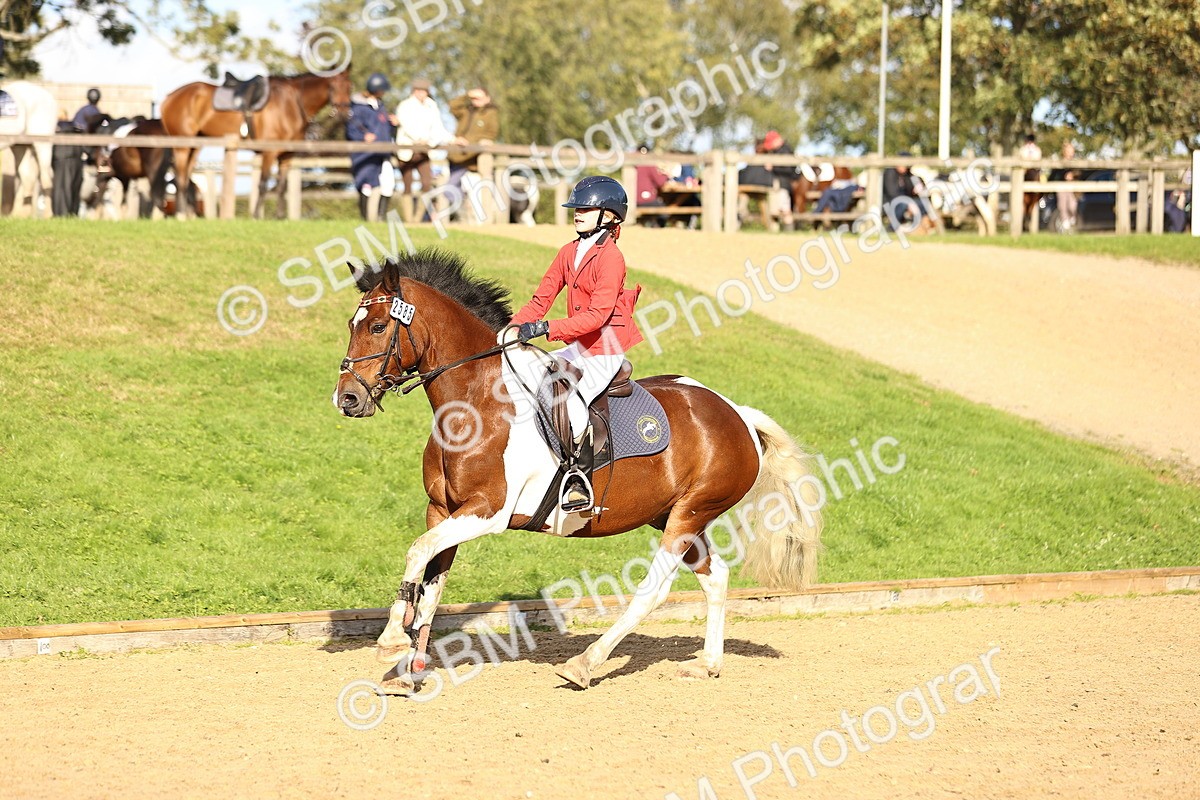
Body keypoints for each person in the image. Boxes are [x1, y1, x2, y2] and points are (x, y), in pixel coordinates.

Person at [508, 176, 644, 513]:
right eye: (577, 208)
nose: (577, 213)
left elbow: (597, 316)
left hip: (605, 348)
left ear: (609, 216)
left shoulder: (612, 258)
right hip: (579, 344)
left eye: (586, 208)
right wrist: (508, 331)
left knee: (573, 406)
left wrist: (545, 328)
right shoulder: (569, 251)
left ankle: (576, 479)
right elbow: (539, 301)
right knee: (526, 376)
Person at [394, 78, 451, 221]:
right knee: (407, 184)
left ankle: (417, 218)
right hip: (407, 150)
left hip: (425, 150)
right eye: (419, 91)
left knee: (426, 183)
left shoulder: (431, 106)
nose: (421, 94)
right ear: (414, 91)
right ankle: (408, 218)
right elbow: (406, 125)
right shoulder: (405, 105)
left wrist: (452, 139)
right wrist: (419, 139)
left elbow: (438, 127)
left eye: (424, 91)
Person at [345, 72, 398, 220]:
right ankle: (365, 218)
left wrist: (392, 124)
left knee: (388, 184)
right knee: (366, 184)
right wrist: (363, 137)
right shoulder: (358, 109)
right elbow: (351, 130)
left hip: (383, 152)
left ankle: (380, 217)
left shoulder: (380, 107)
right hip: (365, 154)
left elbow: (383, 129)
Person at [446, 85, 500, 213]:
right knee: (450, 189)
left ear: (487, 98)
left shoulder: (490, 113)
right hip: (458, 157)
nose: (476, 101)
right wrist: (467, 95)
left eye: (479, 98)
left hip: (474, 159)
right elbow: (453, 106)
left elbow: (491, 134)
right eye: (474, 98)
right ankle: (464, 209)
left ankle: (474, 211)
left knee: (481, 189)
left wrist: (471, 144)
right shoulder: (465, 111)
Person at [882, 156, 932, 231]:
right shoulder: (890, 173)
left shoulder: (907, 174)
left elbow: (914, 186)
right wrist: (909, 203)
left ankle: (917, 227)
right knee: (902, 205)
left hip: (905, 201)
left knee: (923, 203)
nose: (905, 167)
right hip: (889, 202)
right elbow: (892, 194)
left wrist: (919, 185)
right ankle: (891, 228)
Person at [634, 143, 669, 227]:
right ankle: (656, 229)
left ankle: (649, 225)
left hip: (633, 200)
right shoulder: (648, 164)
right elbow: (660, 182)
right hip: (647, 199)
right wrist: (666, 175)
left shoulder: (633, 165)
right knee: (664, 212)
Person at [1049, 140, 1079, 232]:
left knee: (1072, 204)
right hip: (1061, 186)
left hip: (1071, 187)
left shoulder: (1076, 162)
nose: (1071, 153)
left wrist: (1073, 175)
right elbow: (1054, 174)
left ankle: (1071, 219)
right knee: (1063, 204)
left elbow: (1079, 172)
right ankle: (1065, 222)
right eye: (1069, 151)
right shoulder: (1060, 162)